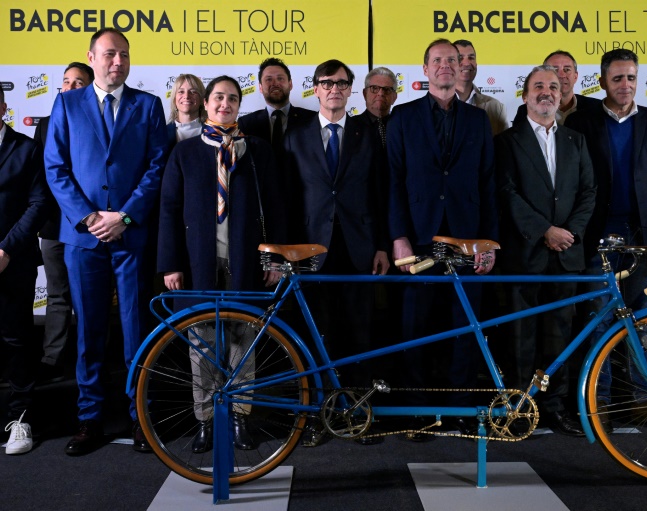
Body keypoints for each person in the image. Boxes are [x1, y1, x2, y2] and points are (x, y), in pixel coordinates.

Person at [45, 28, 167, 455]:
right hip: (83, 239)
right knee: (90, 333)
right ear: (91, 57)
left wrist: (125, 215)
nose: (118, 62)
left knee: (137, 331)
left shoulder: (148, 106)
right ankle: (89, 420)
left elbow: (156, 167)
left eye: (125, 55)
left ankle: (141, 419)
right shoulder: (66, 103)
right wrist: (90, 217)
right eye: (110, 54)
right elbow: (55, 167)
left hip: (131, 236)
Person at [158, 75, 286, 453]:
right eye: (218, 97)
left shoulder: (257, 151)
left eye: (232, 98)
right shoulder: (184, 153)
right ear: (206, 103)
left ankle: (240, 418)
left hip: (245, 261)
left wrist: (274, 259)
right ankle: (206, 420)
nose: (224, 104)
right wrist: (170, 265)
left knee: (242, 344)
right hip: (199, 265)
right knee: (202, 345)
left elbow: (276, 209)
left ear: (238, 105)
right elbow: (168, 210)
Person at [566, 49, 647, 432]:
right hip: (595, 239)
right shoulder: (582, 121)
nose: (625, 85)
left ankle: (637, 403)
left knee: (640, 324)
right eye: (617, 78)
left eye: (631, 77)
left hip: (642, 241)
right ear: (602, 82)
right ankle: (597, 406)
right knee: (597, 322)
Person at [388, 39, 497, 437]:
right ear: (425, 69)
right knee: (416, 326)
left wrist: (488, 242)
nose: (446, 66)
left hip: (467, 240)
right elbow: (394, 183)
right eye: (438, 61)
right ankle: (419, 410)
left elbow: (488, 183)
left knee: (465, 327)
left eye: (452, 60)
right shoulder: (402, 118)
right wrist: (398, 236)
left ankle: (458, 409)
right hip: (417, 238)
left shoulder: (477, 119)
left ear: (462, 67)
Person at [283, 60, 389, 446]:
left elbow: (380, 193)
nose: (334, 89)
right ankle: (312, 417)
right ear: (315, 89)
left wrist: (381, 244)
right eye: (327, 83)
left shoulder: (367, 133)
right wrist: (289, 252)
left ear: (350, 90)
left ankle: (356, 414)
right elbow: (289, 200)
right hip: (311, 253)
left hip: (359, 250)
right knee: (313, 338)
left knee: (358, 335)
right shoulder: (296, 135)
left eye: (341, 83)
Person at [495, 65, 596, 436]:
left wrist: (569, 233)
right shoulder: (506, 142)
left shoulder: (576, 141)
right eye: (539, 86)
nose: (547, 92)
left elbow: (589, 193)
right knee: (520, 337)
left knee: (560, 336)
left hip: (566, 256)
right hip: (526, 255)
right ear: (525, 95)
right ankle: (519, 408)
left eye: (553, 87)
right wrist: (544, 231)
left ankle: (554, 407)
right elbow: (506, 193)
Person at [34, 62, 94, 383]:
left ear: (90, 87)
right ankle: (52, 359)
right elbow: (42, 178)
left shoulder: (102, 122)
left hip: (88, 226)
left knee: (88, 296)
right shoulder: (44, 124)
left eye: (78, 82)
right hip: (55, 225)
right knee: (57, 295)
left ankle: (90, 359)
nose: (70, 87)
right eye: (66, 82)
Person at [0, 88, 48, 455]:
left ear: (4, 108)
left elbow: (37, 203)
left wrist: (6, 249)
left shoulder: (26, 148)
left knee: (16, 340)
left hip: (12, 261)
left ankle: (21, 420)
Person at [237, 57, 315, 148]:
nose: (275, 83)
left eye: (280, 78)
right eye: (269, 79)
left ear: (290, 85)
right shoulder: (246, 123)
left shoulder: (311, 119)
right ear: (260, 87)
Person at [453, 39, 508, 135]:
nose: (466, 63)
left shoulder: (496, 107)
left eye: (471, 58)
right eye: (460, 58)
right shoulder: (435, 104)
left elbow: (504, 148)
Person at [543, 50, 602, 124]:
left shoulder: (598, 109)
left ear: (575, 76)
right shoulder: (527, 112)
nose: (562, 75)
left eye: (567, 70)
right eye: (555, 70)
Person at [360, 67, 398, 148]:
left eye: (387, 89)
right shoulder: (349, 127)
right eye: (374, 88)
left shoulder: (402, 128)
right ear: (365, 94)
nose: (381, 93)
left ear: (394, 97)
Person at [166, 73, 206, 150]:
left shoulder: (214, 132)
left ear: (201, 100)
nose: (187, 96)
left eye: (193, 92)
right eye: (181, 92)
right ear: (174, 99)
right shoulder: (162, 133)